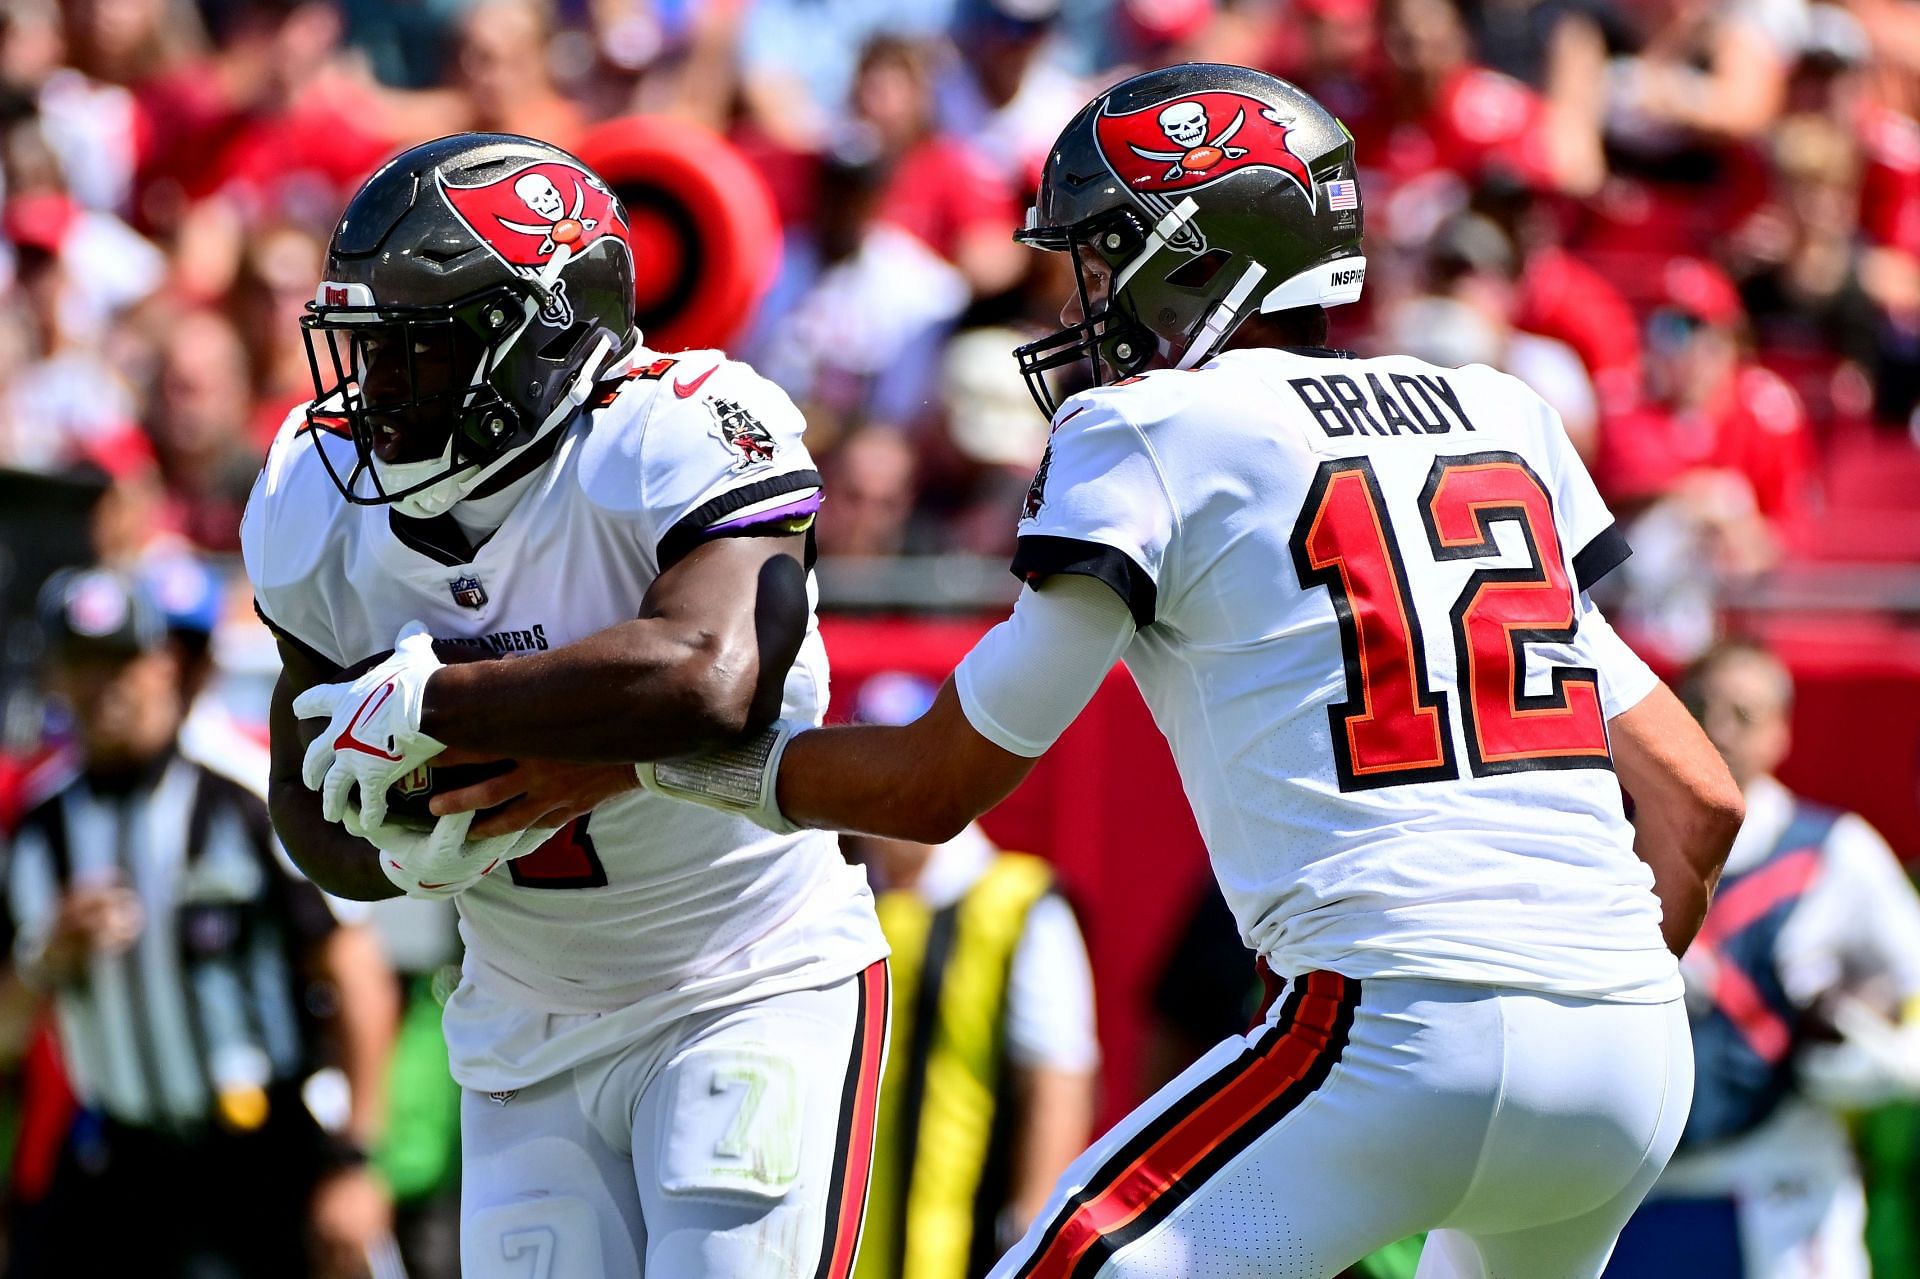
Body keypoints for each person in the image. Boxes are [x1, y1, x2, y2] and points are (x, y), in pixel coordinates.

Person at [628, 64, 1745, 1278]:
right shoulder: (1499, 409)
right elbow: (1701, 797)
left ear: (1204, 254)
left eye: (1104, 257)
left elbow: (931, 787)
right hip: (1632, 1052)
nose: (1088, 299)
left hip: (1396, 1028)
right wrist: (1586, 989)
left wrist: (679, 765)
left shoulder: (1154, 429)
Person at [242, 133, 889, 1278]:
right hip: (523, 1014)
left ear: (536, 340)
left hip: (742, 978)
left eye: (418, 353)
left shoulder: (679, 428)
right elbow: (310, 814)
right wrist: (393, 844)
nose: (375, 393)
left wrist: (439, 703)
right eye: (366, 352)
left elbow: (711, 673)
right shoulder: (313, 490)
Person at [4, 567, 396, 1278]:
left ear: (164, 663)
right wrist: (46, 955)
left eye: (121, 661)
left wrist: (355, 1159)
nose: (104, 687)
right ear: (56, 677)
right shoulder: (38, 828)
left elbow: (356, 973)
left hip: (259, 1150)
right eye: (82, 665)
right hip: (119, 1157)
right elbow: (6, 1028)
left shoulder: (244, 790)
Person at [1606, 640, 1920, 1279]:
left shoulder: (1836, 852)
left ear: (1781, 734)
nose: (1717, 728)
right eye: (1697, 706)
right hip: (1622, 1192)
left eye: (1742, 714)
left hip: (1779, 1185)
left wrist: (1862, 1054)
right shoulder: (1607, 847)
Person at [843, 672, 1098, 1279]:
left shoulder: (1018, 903)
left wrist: (1031, 1234)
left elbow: (1057, 1077)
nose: (882, 788)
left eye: (900, 761)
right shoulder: (834, 900)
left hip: (963, 1250)